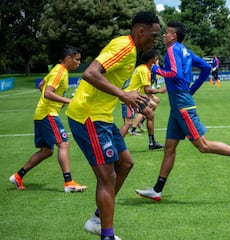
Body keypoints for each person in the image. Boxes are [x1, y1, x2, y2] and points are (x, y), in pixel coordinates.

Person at [135, 22, 230, 202]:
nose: (163, 35)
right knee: (169, 149)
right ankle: (157, 190)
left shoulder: (172, 50)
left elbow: (174, 73)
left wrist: (156, 69)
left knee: (203, 146)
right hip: (178, 106)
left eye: (166, 33)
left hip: (182, 105)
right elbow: (206, 68)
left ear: (174, 37)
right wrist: (192, 89)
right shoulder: (184, 50)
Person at [65, 11, 160, 240]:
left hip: (103, 117)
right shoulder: (124, 47)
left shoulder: (131, 52)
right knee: (107, 178)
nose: (155, 40)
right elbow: (90, 73)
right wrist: (123, 95)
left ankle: (98, 218)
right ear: (140, 31)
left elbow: (111, 83)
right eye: (154, 35)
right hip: (88, 117)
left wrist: (138, 104)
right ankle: (106, 234)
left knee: (125, 163)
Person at [9, 46, 87, 193]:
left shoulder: (57, 69)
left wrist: (58, 101)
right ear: (68, 58)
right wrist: (67, 101)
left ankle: (18, 176)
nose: (78, 63)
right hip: (47, 114)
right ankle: (69, 183)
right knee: (64, 143)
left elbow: (41, 85)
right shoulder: (60, 71)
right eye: (77, 59)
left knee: (46, 151)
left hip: (41, 114)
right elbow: (47, 93)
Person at [120, 49, 166, 150]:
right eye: (155, 57)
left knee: (150, 113)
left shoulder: (143, 68)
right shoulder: (144, 70)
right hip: (128, 98)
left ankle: (152, 143)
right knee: (128, 123)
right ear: (151, 59)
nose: (157, 59)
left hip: (135, 97)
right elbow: (147, 89)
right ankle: (117, 146)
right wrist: (160, 91)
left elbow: (145, 90)